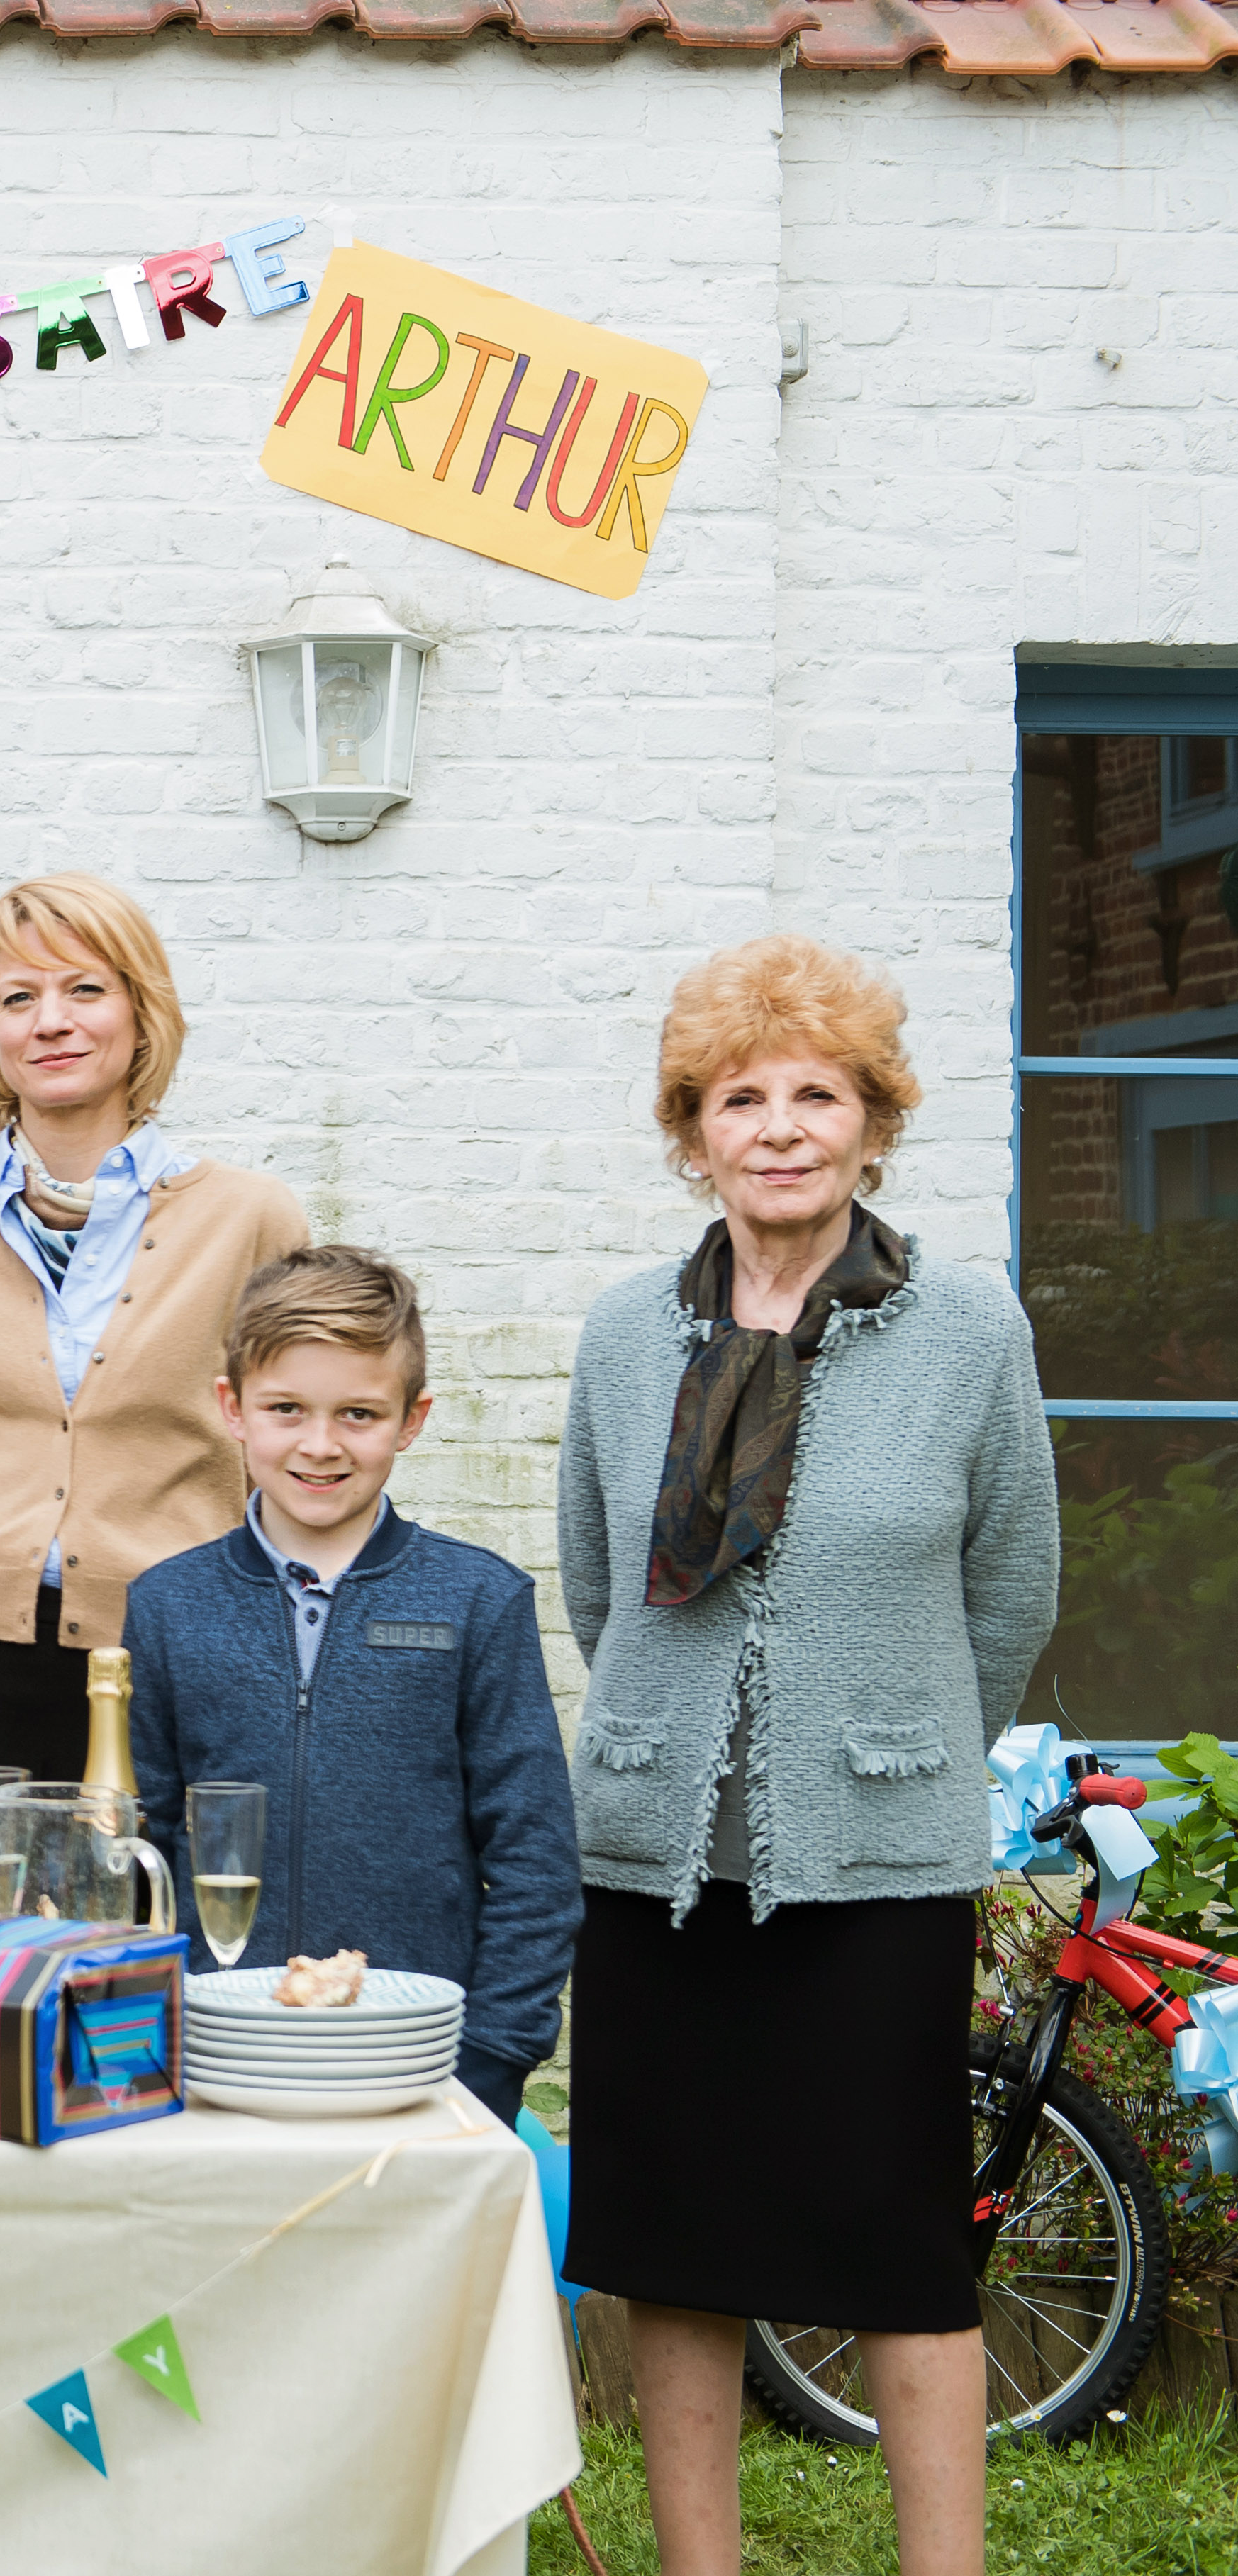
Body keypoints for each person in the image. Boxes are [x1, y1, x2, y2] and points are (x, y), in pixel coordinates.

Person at [557, 935, 1052, 2576]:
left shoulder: (964, 1330)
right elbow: (587, 1577)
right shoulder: (626, 1332)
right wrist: (667, 1747)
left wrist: (895, 1756)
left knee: (899, 2248)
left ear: (868, 1121)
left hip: (875, 1868)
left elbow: (1008, 1589)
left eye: (812, 1095)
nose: (774, 1127)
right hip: (651, 1866)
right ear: (689, 1129)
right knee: (673, 2247)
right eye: (735, 1097)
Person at [0, 873, 311, 1783]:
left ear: (141, 1014)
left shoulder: (252, 1220)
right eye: (18, 998)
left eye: (85, 990)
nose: (50, 1021)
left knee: (157, 1917)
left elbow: (286, 1446)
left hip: (180, 1642)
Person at [123, 1246, 579, 2127]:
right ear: (233, 1409)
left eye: (359, 1413)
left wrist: (494, 2051)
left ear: (412, 1419)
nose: (320, 1444)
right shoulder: (167, 1604)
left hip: (420, 2059)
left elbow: (535, 1859)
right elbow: (141, 1839)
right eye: (286, 1408)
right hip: (219, 2049)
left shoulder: (479, 1600)